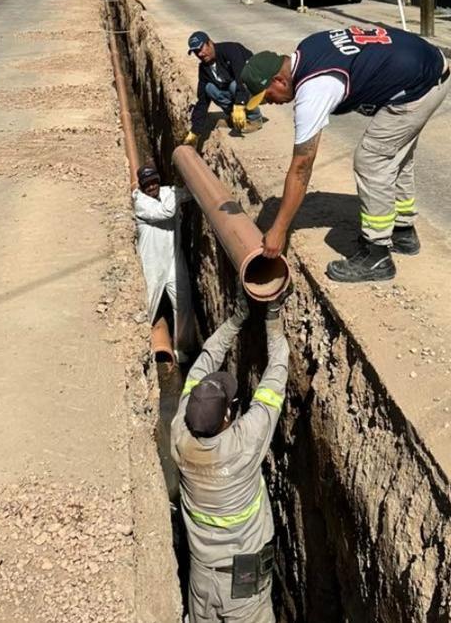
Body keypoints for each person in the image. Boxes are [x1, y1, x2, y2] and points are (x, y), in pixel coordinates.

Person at [240, 26, 449, 283]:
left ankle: (377, 256)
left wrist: (279, 229)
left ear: (279, 81)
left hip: (421, 83)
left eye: (267, 97)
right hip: (427, 64)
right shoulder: (306, 49)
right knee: (394, 152)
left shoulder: (313, 89)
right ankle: (403, 232)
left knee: (372, 158)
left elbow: (302, 167)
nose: (269, 104)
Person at [170, 289, 287, 623]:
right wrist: (273, 318)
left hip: (201, 579)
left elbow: (203, 362)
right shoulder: (245, 444)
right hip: (243, 585)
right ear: (227, 418)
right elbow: (276, 373)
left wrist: (236, 318)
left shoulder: (180, 431)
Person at [133, 164, 198, 360]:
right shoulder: (140, 201)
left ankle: (182, 347)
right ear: (142, 186)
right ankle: (141, 347)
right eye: (147, 184)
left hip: (173, 259)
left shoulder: (168, 192)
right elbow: (166, 211)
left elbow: (189, 193)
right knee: (148, 305)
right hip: (151, 263)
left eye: (154, 182)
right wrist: (177, 195)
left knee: (183, 302)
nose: (151, 187)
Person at [183, 31, 264, 147]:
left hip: (257, 85)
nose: (200, 54)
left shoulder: (230, 50)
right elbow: (202, 102)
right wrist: (195, 132)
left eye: (201, 49)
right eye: (196, 52)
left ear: (210, 43)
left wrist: (239, 104)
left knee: (234, 85)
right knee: (209, 88)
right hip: (238, 89)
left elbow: (242, 79)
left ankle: (254, 119)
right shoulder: (204, 69)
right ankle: (235, 118)